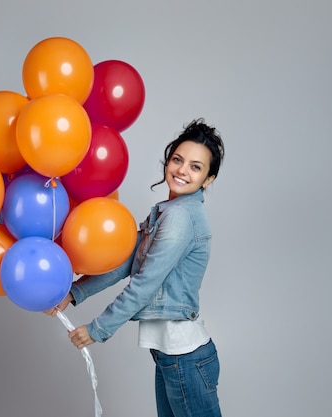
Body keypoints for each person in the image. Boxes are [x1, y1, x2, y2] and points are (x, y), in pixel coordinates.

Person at [47, 118, 225, 417]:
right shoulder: (167, 213)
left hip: (185, 356)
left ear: (208, 179)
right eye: (178, 159)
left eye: (196, 166)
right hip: (174, 355)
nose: (182, 170)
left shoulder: (180, 218)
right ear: (167, 161)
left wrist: (97, 329)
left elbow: (145, 284)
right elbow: (127, 262)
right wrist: (75, 293)